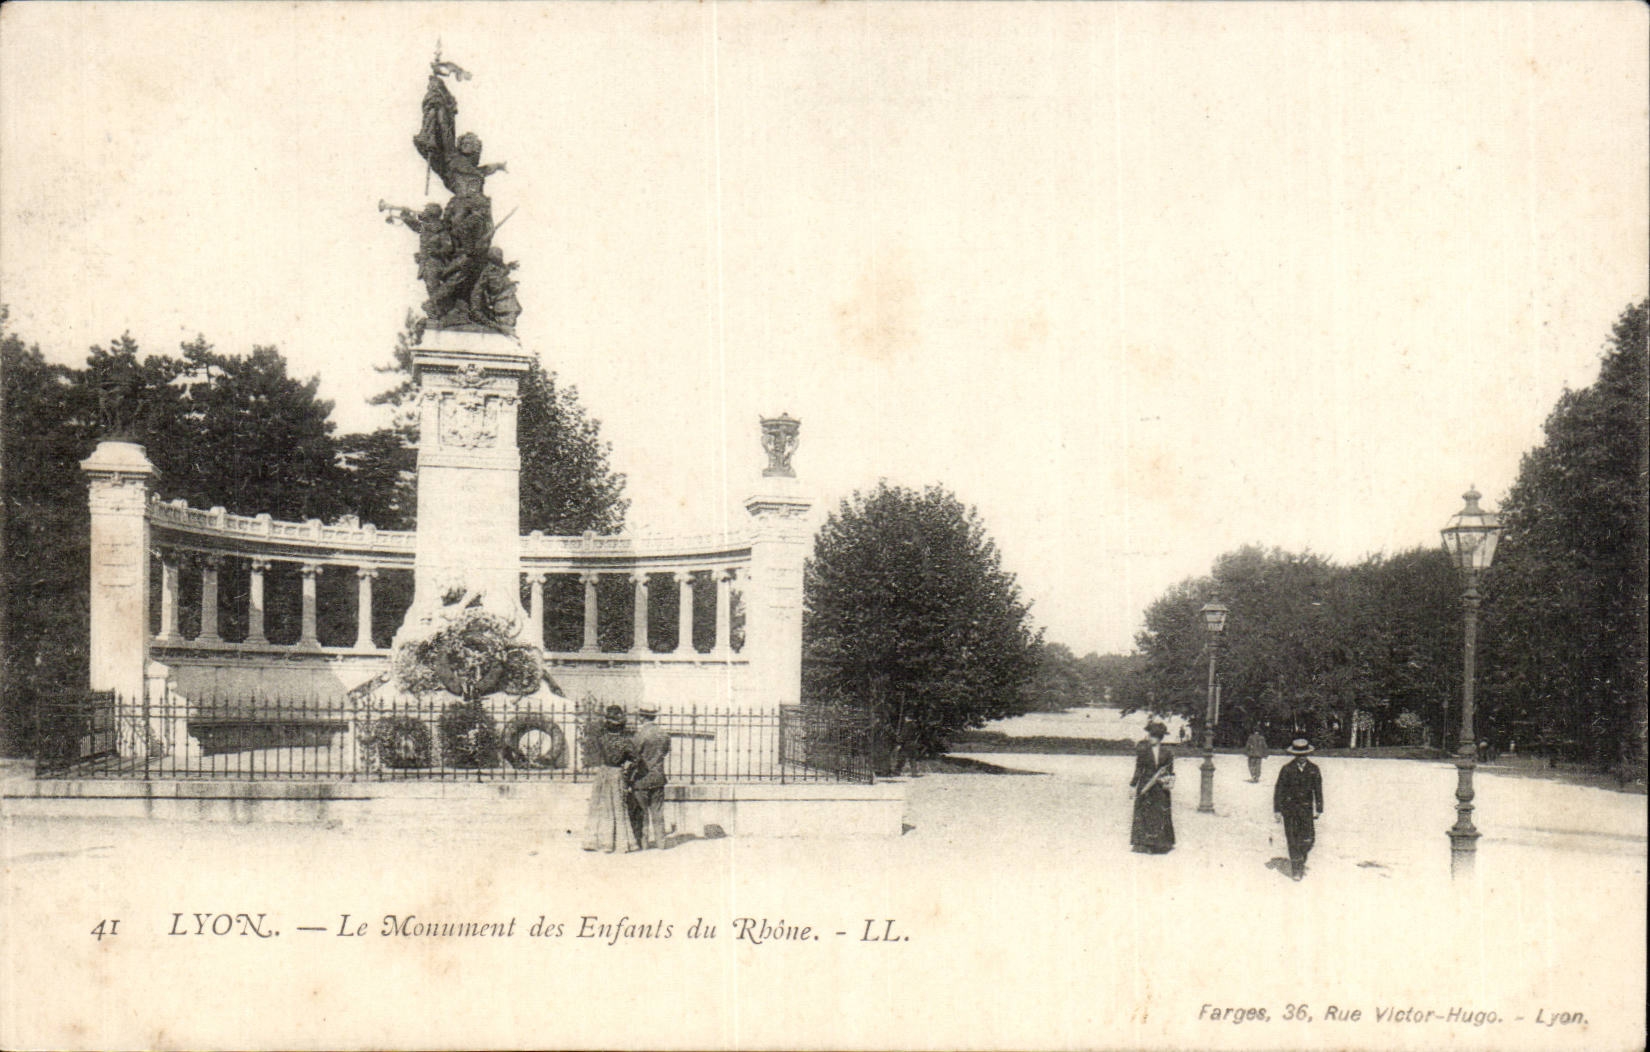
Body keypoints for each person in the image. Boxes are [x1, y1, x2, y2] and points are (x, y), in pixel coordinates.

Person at [583, 705, 639, 853]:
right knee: (618, 807)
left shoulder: (601, 739)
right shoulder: (626, 742)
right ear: (622, 725)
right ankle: (620, 843)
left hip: (603, 773)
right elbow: (636, 760)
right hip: (616, 773)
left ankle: (597, 841)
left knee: (599, 806)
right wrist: (627, 770)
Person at [1273, 739, 1324, 880]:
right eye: (1299, 755)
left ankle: (1300, 859)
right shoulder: (1287, 769)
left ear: (1308, 754)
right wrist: (1277, 810)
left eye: (1304, 754)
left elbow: (1318, 790)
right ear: (1294, 755)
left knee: (1309, 839)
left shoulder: (1314, 769)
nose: (1302, 757)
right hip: (1289, 810)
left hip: (1306, 810)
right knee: (1292, 839)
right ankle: (1296, 870)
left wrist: (1319, 808)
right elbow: (1279, 790)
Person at [627, 706, 671, 849]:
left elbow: (633, 755)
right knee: (658, 811)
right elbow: (665, 752)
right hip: (658, 777)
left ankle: (644, 843)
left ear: (642, 716)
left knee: (642, 812)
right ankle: (661, 842)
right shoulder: (664, 734)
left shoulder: (640, 735)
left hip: (642, 778)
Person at [1129, 721, 1175, 854]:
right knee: (1144, 813)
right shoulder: (1143, 752)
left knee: (1159, 813)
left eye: (1154, 736)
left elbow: (1170, 771)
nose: (1150, 738)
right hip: (1145, 785)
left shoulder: (1167, 753)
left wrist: (1168, 780)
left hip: (1160, 787)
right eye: (1150, 735)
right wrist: (1133, 785)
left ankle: (1161, 843)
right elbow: (1138, 769)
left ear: (1160, 738)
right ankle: (1143, 843)